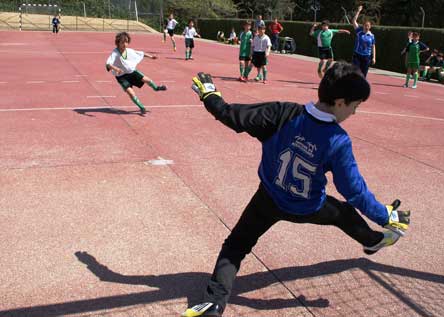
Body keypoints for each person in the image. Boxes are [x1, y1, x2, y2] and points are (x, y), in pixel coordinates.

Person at [183, 62, 411, 317]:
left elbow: (230, 115)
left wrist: (210, 95)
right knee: (344, 214)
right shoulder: (337, 139)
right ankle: (375, 240)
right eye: (354, 106)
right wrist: (384, 215)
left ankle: (213, 304)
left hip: (268, 199)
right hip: (307, 207)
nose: (354, 113)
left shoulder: (283, 113)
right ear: (339, 102)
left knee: (236, 245)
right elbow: (355, 191)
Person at [106, 32, 166, 115]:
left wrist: (151, 57)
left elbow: (141, 53)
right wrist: (116, 68)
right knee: (131, 93)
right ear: (118, 43)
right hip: (121, 76)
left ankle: (156, 88)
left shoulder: (129, 51)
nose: (125, 44)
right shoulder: (115, 53)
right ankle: (142, 107)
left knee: (147, 80)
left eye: (126, 42)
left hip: (132, 72)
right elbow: (108, 64)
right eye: (122, 42)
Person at [351, 5, 376, 77]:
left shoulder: (372, 36)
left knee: (363, 74)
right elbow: (353, 21)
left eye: (368, 26)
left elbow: (373, 46)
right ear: (363, 26)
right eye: (365, 25)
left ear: (370, 26)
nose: (367, 27)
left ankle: (361, 87)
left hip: (366, 57)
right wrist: (358, 11)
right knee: (355, 72)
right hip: (357, 56)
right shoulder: (359, 31)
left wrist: (374, 57)